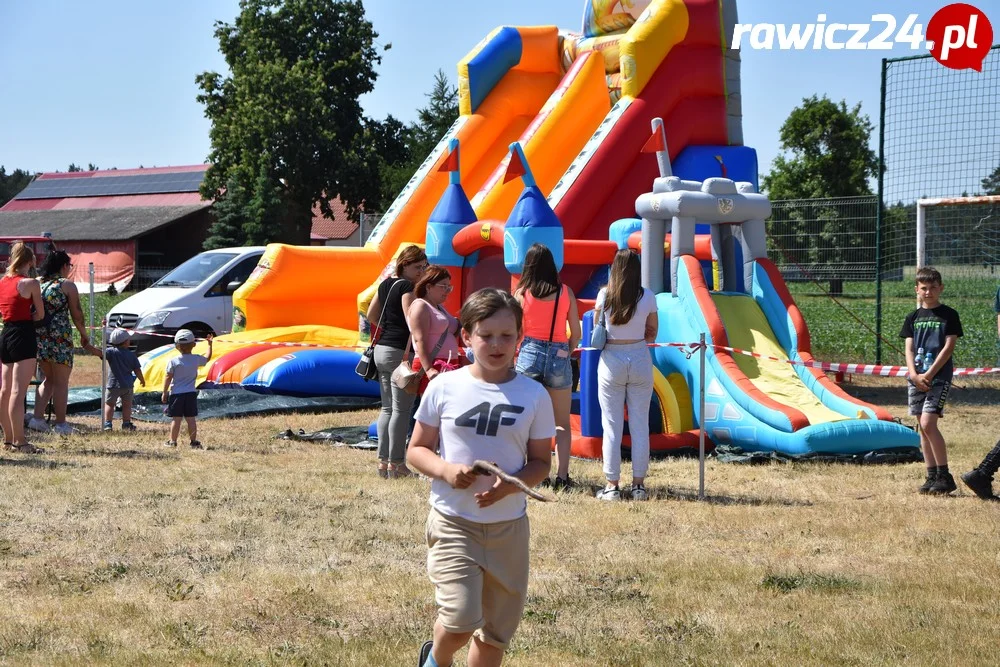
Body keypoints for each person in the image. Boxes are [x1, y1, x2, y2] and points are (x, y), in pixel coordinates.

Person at [407, 288, 554, 667]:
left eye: (507, 336)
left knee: (495, 634)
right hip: (454, 523)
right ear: (466, 337)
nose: (496, 344)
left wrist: (512, 484)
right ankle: (436, 659)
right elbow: (416, 450)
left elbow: (540, 462)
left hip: (508, 530)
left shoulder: (534, 395)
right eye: (486, 335)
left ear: (520, 338)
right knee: (459, 621)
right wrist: (445, 469)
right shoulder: (444, 386)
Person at [513, 243, 581, 490]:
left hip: (529, 353)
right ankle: (562, 477)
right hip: (558, 353)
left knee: (526, 420)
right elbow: (576, 332)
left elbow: (515, 331)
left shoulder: (521, 293)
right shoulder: (565, 292)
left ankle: (530, 473)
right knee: (562, 423)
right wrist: (566, 351)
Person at [594, 249, 658, 502]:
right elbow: (653, 331)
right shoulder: (648, 296)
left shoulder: (604, 294)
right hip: (640, 357)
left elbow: (597, 328)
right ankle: (639, 485)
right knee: (640, 424)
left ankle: (612, 485)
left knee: (611, 425)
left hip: (612, 359)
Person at [899, 266, 963, 495]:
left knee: (928, 423)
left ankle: (945, 476)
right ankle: (931, 475)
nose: (928, 292)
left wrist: (929, 374)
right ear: (916, 289)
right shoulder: (912, 318)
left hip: (938, 378)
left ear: (941, 288)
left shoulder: (949, 315)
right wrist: (914, 374)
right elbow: (908, 348)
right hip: (915, 379)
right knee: (922, 428)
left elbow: (948, 347)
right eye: (923, 288)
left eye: (933, 287)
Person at [366, 245, 427, 479]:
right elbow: (412, 319)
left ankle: (383, 463)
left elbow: (371, 314)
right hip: (400, 352)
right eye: (417, 267)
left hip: (381, 349)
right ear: (405, 265)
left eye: (423, 267)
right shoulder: (407, 287)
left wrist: (388, 328)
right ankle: (398, 465)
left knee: (387, 409)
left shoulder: (385, 284)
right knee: (401, 410)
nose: (421, 271)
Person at [28, 250, 101, 436]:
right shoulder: (67, 285)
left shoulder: (38, 283)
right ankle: (61, 424)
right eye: (69, 265)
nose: (70, 269)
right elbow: (77, 314)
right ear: (63, 266)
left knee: (48, 378)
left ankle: (37, 418)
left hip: (40, 337)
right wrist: (85, 336)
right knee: (61, 381)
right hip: (60, 338)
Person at [0, 242, 46, 453]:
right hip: (23, 334)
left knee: (5, 390)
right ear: (30, 261)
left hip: (6, 333)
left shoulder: (2, 281)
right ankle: (21, 441)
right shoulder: (31, 283)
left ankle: (8, 439)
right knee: (18, 392)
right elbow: (40, 314)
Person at [407, 265, 462, 394]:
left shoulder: (438, 307)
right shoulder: (421, 306)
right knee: (430, 410)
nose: (447, 290)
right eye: (443, 286)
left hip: (448, 363)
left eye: (449, 287)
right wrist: (429, 369)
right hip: (432, 365)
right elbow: (419, 340)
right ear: (428, 287)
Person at [162, 328, 213, 449]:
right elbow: (207, 358)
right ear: (194, 344)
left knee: (176, 419)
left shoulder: (173, 361)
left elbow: (168, 377)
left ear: (176, 346)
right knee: (191, 419)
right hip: (190, 394)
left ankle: (172, 441)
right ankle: (194, 441)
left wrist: (164, 392)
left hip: (176, 395)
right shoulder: (196, 359)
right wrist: (210, 344)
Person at [102, 327, 146, 431]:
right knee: (127, 405)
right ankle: (126, 423)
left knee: (109, 404)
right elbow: (137, 370)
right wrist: (142, 380)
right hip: (127, 385)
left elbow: (100, 353)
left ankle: (108, 424)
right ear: (126, 342)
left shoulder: (111, 352)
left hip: (113, 385)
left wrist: (88, 346)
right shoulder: (131, 355)